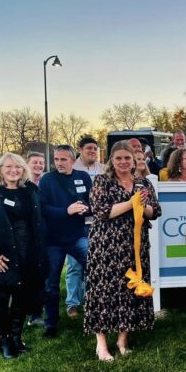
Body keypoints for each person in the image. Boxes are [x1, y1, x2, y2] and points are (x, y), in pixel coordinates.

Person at [84, 140, 162, 361]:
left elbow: (155, 212)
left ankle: (122, 339)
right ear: (111, 160)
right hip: (107, 245)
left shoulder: (143, 182)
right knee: (103, 291)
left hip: (134, 245)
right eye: (118, 158)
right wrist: (131, 202)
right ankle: (101, 344)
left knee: (128, 291)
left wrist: (143, 204)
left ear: (134, 160)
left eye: (127, 158)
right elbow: (101, 211)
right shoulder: (102, 181)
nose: (123, 162)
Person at [0, 153, 47, 359]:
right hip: (1, 256)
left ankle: (16, 337)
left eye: (18, 167)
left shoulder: (30, 190)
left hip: (27, 253)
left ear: (24, 170)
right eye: (9, 167)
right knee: (2, 297)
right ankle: (3, 341)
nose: (14, 170)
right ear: (0, 169)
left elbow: (38, 220)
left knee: (22, 297)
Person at [38, 145, 92, 336]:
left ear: (72, 160)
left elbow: (91, 202)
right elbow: (42, 208)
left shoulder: (83, 177)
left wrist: (85, 208)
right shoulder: (47, 180)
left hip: (78, 236)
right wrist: (65, 211)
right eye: (57, 159)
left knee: (95, 272)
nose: (59, 163)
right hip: (53, 241)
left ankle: (95, 314)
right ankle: (50, 323)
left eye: (64, 159)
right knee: (51, 284)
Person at [68, 137, 106, 325]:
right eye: (89, 148)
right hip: (76, 223)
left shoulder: (103, 168)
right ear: (80, 149)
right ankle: (73, 303)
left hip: (97, 223)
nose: (93, 151)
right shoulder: (71, 167)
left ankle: (91, 299)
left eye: (95, 148)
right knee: (75, 265)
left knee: (94, 263)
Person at [24, 151, 47, 327]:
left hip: (44, 236)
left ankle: (37, 312)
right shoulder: (22, 185)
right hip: (26, 238)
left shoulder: (45, 183)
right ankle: (28, 311)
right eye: (35, 163)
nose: (38, 165)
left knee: (41, 275)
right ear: (27, 164)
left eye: (41, 163)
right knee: (28, 276)